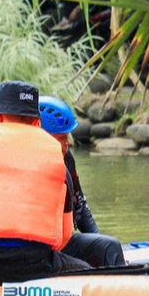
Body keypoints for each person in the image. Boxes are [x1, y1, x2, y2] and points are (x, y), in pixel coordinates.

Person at [0, 80, 90, 286]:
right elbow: (65, 235)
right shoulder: (58, 160)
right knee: (85, 270)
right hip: (36, 267)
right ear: (36, 123)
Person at [38, 96, 125, 267]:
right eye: (62, 138)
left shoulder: (67, 159)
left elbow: (79, 205)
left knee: (109, 246)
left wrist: (97, 239)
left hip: (62, 242)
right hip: (36, 246)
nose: (68, 142)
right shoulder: (26, 162)